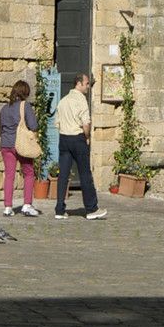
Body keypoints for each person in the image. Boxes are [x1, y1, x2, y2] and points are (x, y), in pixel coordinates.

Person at [53, 71, 106, 220]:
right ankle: (91, 208)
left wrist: (65, 129)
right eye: (87, 83)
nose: (88, 86)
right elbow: (86, 122)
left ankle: (59, 209)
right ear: (79, 83)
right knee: (85, 173)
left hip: (64, 139)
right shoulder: (80, 99)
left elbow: (56, 122)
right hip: (77, 138)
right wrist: (87, 137)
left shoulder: (63, 101)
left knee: (63, 175)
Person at [0, 79, 40, 217]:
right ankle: (27, 204)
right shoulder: (24, 106)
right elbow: (33, 125)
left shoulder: (4, 109)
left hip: (6, 144)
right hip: (20, 143)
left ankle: (8, 207)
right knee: (28, 172)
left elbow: (1, 127)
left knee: (9, 175)